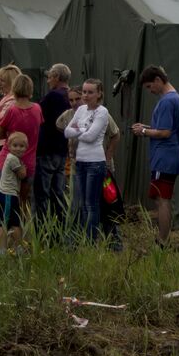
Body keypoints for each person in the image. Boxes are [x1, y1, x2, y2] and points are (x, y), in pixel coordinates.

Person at [133, 65, 179, 248]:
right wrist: (147, 127)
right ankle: (162, 239)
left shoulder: (166, 101)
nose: (150, 91)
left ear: (158, 80)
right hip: (170, 155)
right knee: (160, 197)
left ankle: (162, 241)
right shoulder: (176, 98)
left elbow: (164, 132)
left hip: (165, 157)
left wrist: (143, 131)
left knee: (163, 200)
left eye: (149, 86)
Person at [61, 78, 115, 245]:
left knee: (91, 204)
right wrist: (83, 130)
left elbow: (91, 137)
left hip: (95, 162)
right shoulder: (81, 110)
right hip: (80, 161)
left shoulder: (102, 112)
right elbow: (66, 132)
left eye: (90, 92)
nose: (85, 95)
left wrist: (79, 130)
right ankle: (84, 238)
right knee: (82, 204)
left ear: (99, 94)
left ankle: (91, 240)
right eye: (84, 91)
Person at [0, 74, 43, 216]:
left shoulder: (12, 110)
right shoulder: (37, 109)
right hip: (29, 161)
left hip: (7, 160)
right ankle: (23, 235)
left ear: (14, 89)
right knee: (23, 202)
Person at [36, 63, 73, 239]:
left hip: (47, 149)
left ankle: (42, 233)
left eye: (50, 76)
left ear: (57, 77)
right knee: (58, 193)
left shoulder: (52, 97)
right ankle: (61, 232)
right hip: (62, 150)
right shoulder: (71, 96)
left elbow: (39, 117)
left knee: (42, 194)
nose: (49, 80)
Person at [0, 132, 29, 254]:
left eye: (21, 146)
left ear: (26, 147)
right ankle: (3, 249)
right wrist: (24, 168)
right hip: (7, 195)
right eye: (15, 145)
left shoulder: (14, 158)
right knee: (4, 223)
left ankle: (18, 247)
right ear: (9, 146)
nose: (18, 148)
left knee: (14, 222)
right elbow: (22, 175)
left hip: (9, 195)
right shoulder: (12, 159)